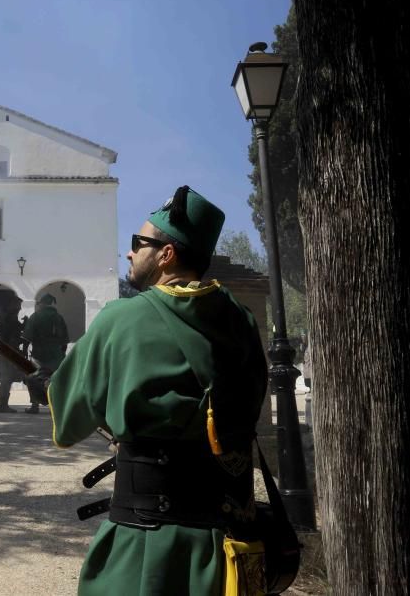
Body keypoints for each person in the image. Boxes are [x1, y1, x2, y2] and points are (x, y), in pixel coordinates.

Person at [47, 186, 268, 595]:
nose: (129, 253)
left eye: (138, 243)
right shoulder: (241, 318)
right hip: (229, 551)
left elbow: (68, 421)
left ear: (166, 254)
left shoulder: (120, 318)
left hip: (146, 546)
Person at [22, 293, 69, 414]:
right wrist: (61, 353)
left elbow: (27, 338)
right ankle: (58, 406)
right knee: (56, 380)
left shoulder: (35, 316)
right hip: (56, 354)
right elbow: (64, 340)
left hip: (38, 354)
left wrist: (24, 353)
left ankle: (34, 405)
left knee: (33, 378)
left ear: (42, 303)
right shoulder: (59, 317)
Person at [0, 295, 26, 413]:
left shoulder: (7, 316)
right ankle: (2, 404)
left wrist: (22, 325)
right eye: (18, 305)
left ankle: (3, 404)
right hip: (10, 351)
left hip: (8, 350)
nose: (20, 308)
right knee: (7, 378)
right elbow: (12, 334)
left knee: (7, 379)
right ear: (12, 305)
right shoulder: (9, 317)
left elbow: (15, 330)